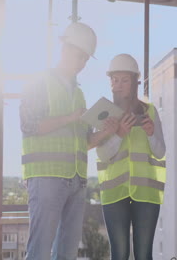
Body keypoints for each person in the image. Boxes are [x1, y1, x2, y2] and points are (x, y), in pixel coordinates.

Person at [20, 22, 116, 260]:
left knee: (67, 253)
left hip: (76, 181)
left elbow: (82, 143)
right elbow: (29, 126)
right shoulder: (39, 83)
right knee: (40, 250)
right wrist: (70, 117)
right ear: (64, 48)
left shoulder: (80, 93)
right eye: (79, 56)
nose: (82, 63)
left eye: (86, 59)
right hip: (46, 178)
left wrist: (105, 132)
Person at [96, 54, 166, 260]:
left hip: (147, 194)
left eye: (124, 80)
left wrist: (151, 133)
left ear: (136, 82)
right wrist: (119, 135)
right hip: (114, 194)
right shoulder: (103, 112)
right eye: (114, 80)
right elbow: (101, 154)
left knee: (144, 255)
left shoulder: (150, 111)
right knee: (120, 255)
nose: (118, 85)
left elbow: (161, 152)